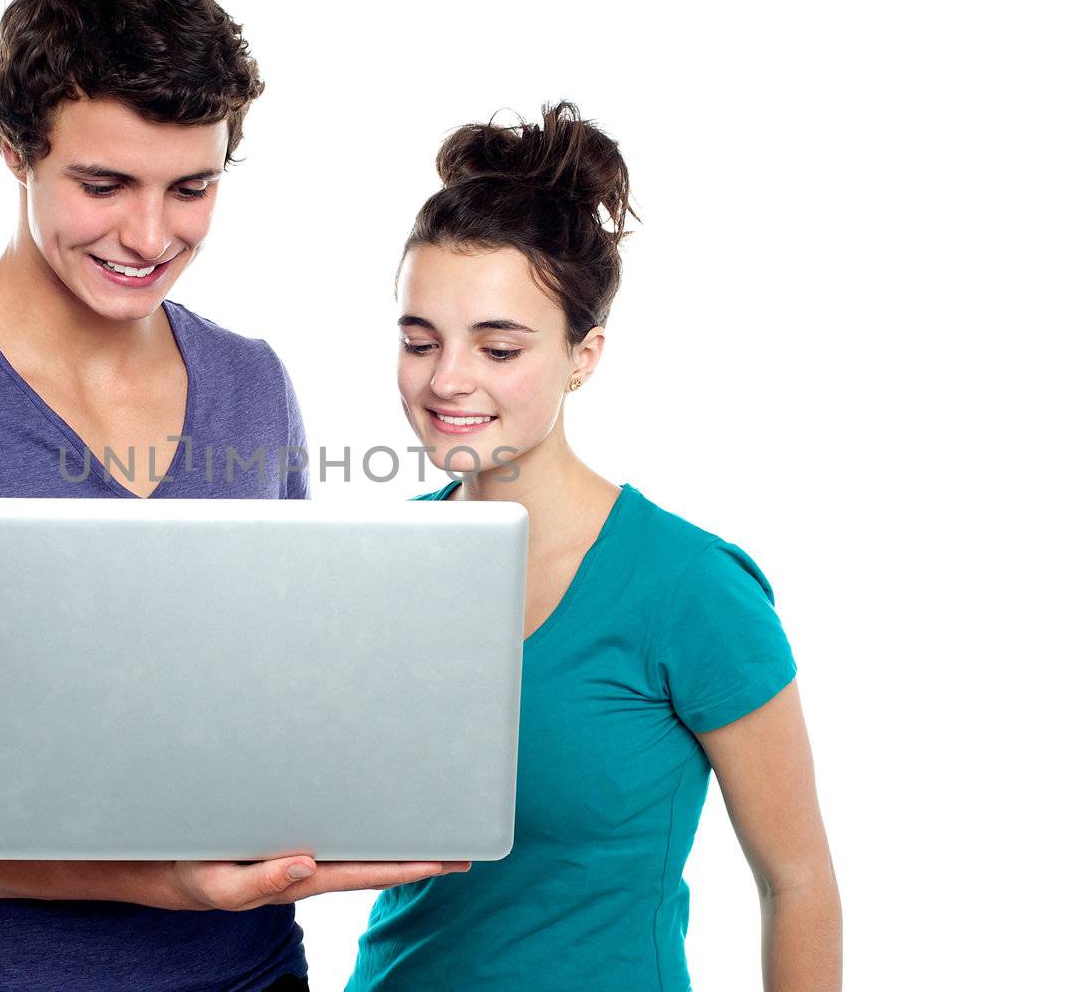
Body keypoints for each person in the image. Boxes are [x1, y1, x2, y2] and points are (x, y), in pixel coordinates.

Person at [0, 0, 463, 992]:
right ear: (14, 149)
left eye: (190, 188)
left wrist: (360, 801)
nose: (150, 236)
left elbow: (270, 707)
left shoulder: (251, 382)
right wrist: (167, 881)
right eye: (104, 186)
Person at [346, 102, 843, 990]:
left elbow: (796, 881)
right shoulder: (387, 561)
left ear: (586, 354)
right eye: (420, 341)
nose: (446, 378)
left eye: (499, 348)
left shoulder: (690, 590)